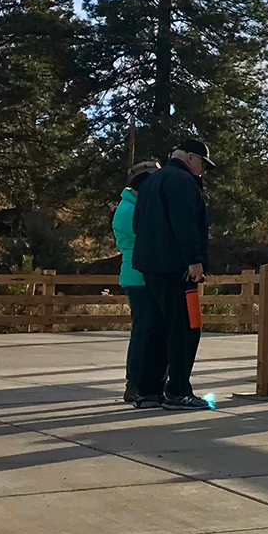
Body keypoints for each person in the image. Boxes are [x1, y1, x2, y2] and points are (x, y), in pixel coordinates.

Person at [128, 138, 217, 410]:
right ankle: (178, 390)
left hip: (150, 267)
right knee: (185, 329)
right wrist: (194, 260)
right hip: (176, 268)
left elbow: (137, 223)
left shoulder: (151, 182)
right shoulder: (181, 181)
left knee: (155, 328)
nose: (203, 171)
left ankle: (147, 391)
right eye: (203, 164)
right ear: (190, 158)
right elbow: (184, 222)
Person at [113, 160, 162, 403]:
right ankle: (134, 383)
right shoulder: (130, 209)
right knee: (143, 331)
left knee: (149, 330)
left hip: (141, 275)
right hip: (139, 276)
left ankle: (144, 382)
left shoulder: (134, 205)